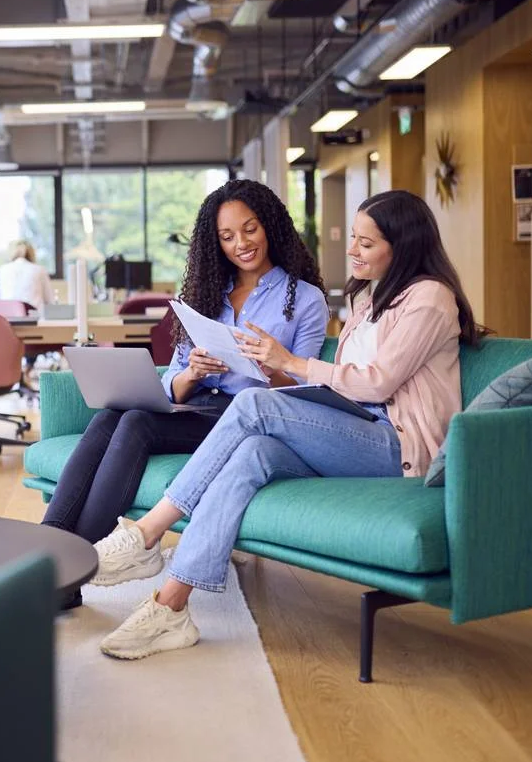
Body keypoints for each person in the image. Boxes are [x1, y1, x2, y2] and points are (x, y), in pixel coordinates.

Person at [90, 190, 485, 659]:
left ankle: (149, 532)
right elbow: (348, 388)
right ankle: (171, 607)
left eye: (365, 243)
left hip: (399, 446)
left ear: (404, 246)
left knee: (257, 404)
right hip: (357, 429)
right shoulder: (371, 301)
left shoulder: (429, 299)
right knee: (252, 451)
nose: (352, 250)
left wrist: (289, 363)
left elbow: (378, 384)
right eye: (354, 239)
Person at [40, 179, 328, 599]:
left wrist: (269, 363)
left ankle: (73, 570)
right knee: (108, 417)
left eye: (249, 229)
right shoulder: (209, 294)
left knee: (137, 422)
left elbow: (304, 390)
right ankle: (46, 551)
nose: (241, 244)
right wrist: (192, 372)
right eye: (227, 237)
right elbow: (171, 383)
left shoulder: (304, 299)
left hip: (246, 415)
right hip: (198, 406)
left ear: (270, 226)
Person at [0, 239, 53, 312]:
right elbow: (50, 300)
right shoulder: (39, 270)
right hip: (34, 318)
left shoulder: (2, 269)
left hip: (8, 317)